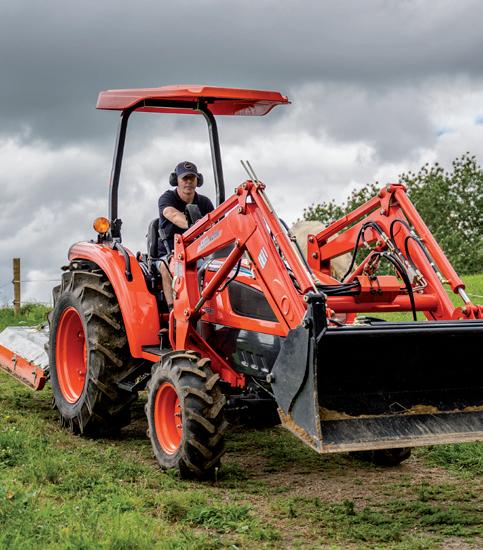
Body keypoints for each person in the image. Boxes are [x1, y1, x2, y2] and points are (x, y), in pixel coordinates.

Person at [157, 161, 214, 307]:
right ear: (175, 180)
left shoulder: (205, 203)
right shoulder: (167, 198)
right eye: (184, 178)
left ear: (198, 181)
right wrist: (196, 226)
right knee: (167, 267)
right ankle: (173, 309)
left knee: (214, 267)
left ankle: (210, 308)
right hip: (169, 253)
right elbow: (172, 214)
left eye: (192, 178)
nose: (188, 182)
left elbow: (216, 225)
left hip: (198, 253)